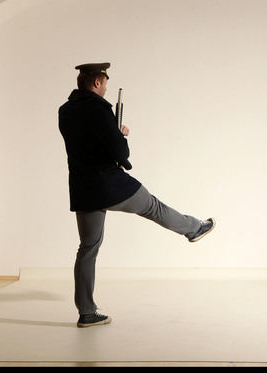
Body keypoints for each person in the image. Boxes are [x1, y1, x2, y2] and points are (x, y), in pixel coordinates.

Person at [58, 62, 215, 328]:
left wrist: (112, 141)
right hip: (109, 184)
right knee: (154, 207)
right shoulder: (99, 109)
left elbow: (84, 144)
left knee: (87, 249)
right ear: (97, 82)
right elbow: (121, 154)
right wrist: (121, 136)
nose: (106, 87)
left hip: (83, 187)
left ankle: (86, 313)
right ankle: (193, 228)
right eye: (105, 83)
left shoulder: (65, 110)